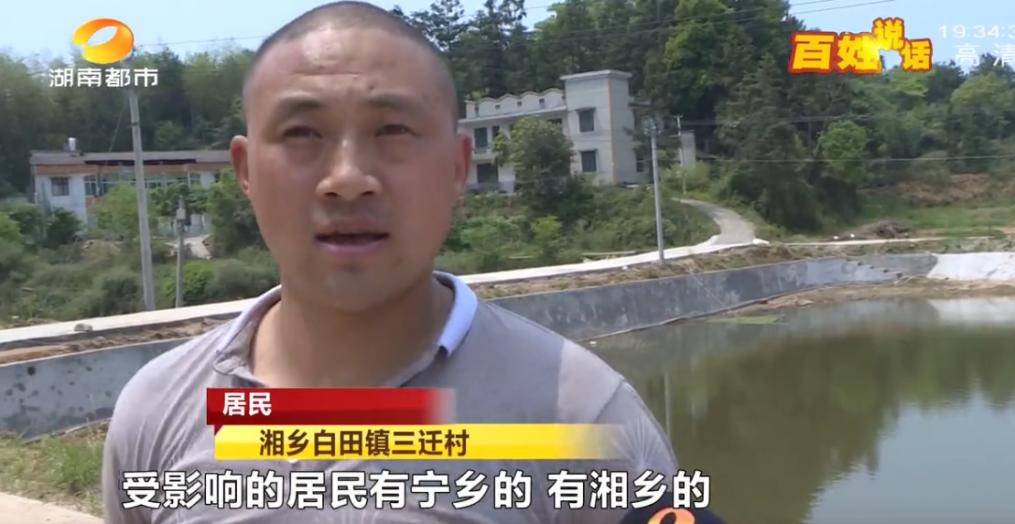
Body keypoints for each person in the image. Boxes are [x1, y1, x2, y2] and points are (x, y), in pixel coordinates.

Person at [101, 1, 677, 521]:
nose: (348, 179)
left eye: (393, 129)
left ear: (457, 167)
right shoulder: (158, 412)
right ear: (246, 170)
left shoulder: (582, 417)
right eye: (301, 133)